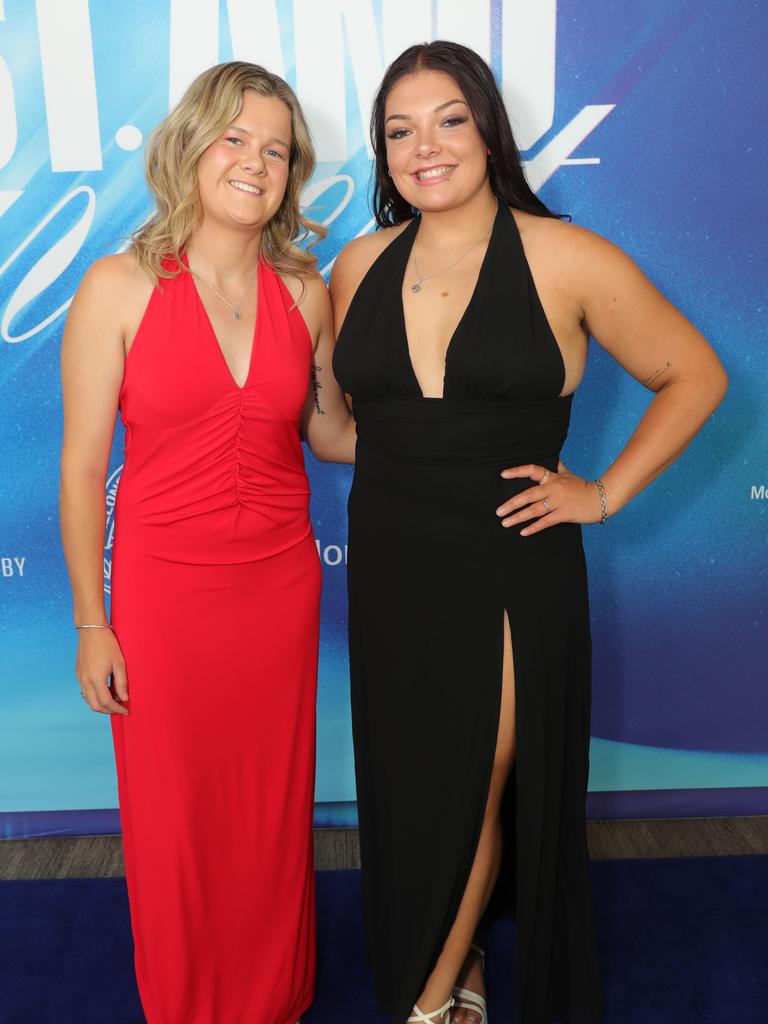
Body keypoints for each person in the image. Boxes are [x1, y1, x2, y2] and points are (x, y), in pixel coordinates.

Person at [331, 41, 728, 1024]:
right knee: (421, 780)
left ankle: (424, 1004)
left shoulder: (567, 256)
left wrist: (602, 493)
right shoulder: (355, 264)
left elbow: (696, 374)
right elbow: (341, 427)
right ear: (381, 152)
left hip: (511, 558)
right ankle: (459, 966)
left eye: (449, 120)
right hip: (390, 557)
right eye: (399, 130)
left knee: (485, 772)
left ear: (487, 130)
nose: (425, 146)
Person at [59, 61, 353, 1024]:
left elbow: (333, 435)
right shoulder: (116, 287)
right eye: (236, 138)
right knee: (175, 823)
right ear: (190, 147)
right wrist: (93, 624)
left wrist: (462, 426)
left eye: (276, 150)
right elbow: (78, 471)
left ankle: (272, 997)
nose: (255, 163)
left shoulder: (306, 294)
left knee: (271, 812)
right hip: (163, 598)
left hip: (277, 588)